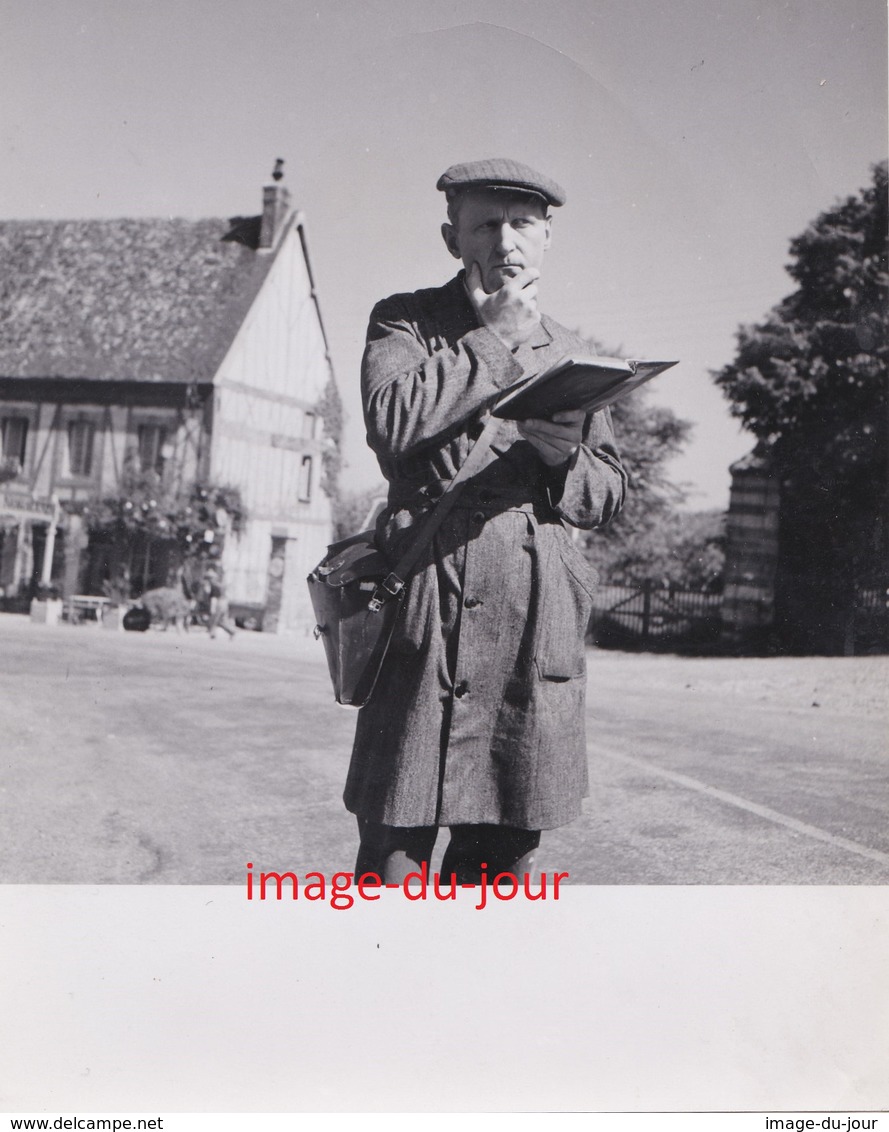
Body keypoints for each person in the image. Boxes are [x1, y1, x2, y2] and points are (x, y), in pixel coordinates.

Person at [344, 158, 628, 884]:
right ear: (452, 238)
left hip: (531, 625)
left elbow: (605, 495)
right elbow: (392, 425)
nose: (505, 241)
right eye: (486, 224)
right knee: (393, 860)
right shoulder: (404, 320)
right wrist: (493, 342)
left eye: (522, 224)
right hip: (425, 612)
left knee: (499, 870)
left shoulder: (569, 353)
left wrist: (566, 459)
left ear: (546, 240)